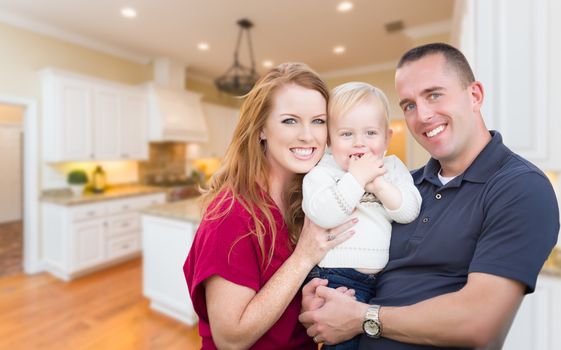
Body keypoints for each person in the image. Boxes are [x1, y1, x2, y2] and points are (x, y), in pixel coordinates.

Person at [299, 43, 560, 349]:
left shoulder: (520, 187)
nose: (422, 115)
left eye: (434, 94)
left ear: (474, 95)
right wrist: (321, 296)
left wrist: (361, 318)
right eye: (408, 104)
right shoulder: (403, 186)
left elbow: (480, 324)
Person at [183, 62, 356, 349]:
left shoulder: (312, 201)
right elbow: (230, 338)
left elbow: (280, 302)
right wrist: (303, 257)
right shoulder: (231, 215)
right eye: (290, 120)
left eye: (318, 121)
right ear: (261, 128)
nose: (307, 136)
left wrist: (308, 301)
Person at [302, 82, 422, 349]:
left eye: (370, 132)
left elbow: (409, 211)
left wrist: (378, 184)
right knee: (343, 344)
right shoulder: (323, 171)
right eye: (346, 134)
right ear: (330, 140)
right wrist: (356, 179)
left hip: (383, 281)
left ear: (387, 138)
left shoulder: (391, 168)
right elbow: (323, 215)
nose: (359, 142)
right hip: (335, 278)